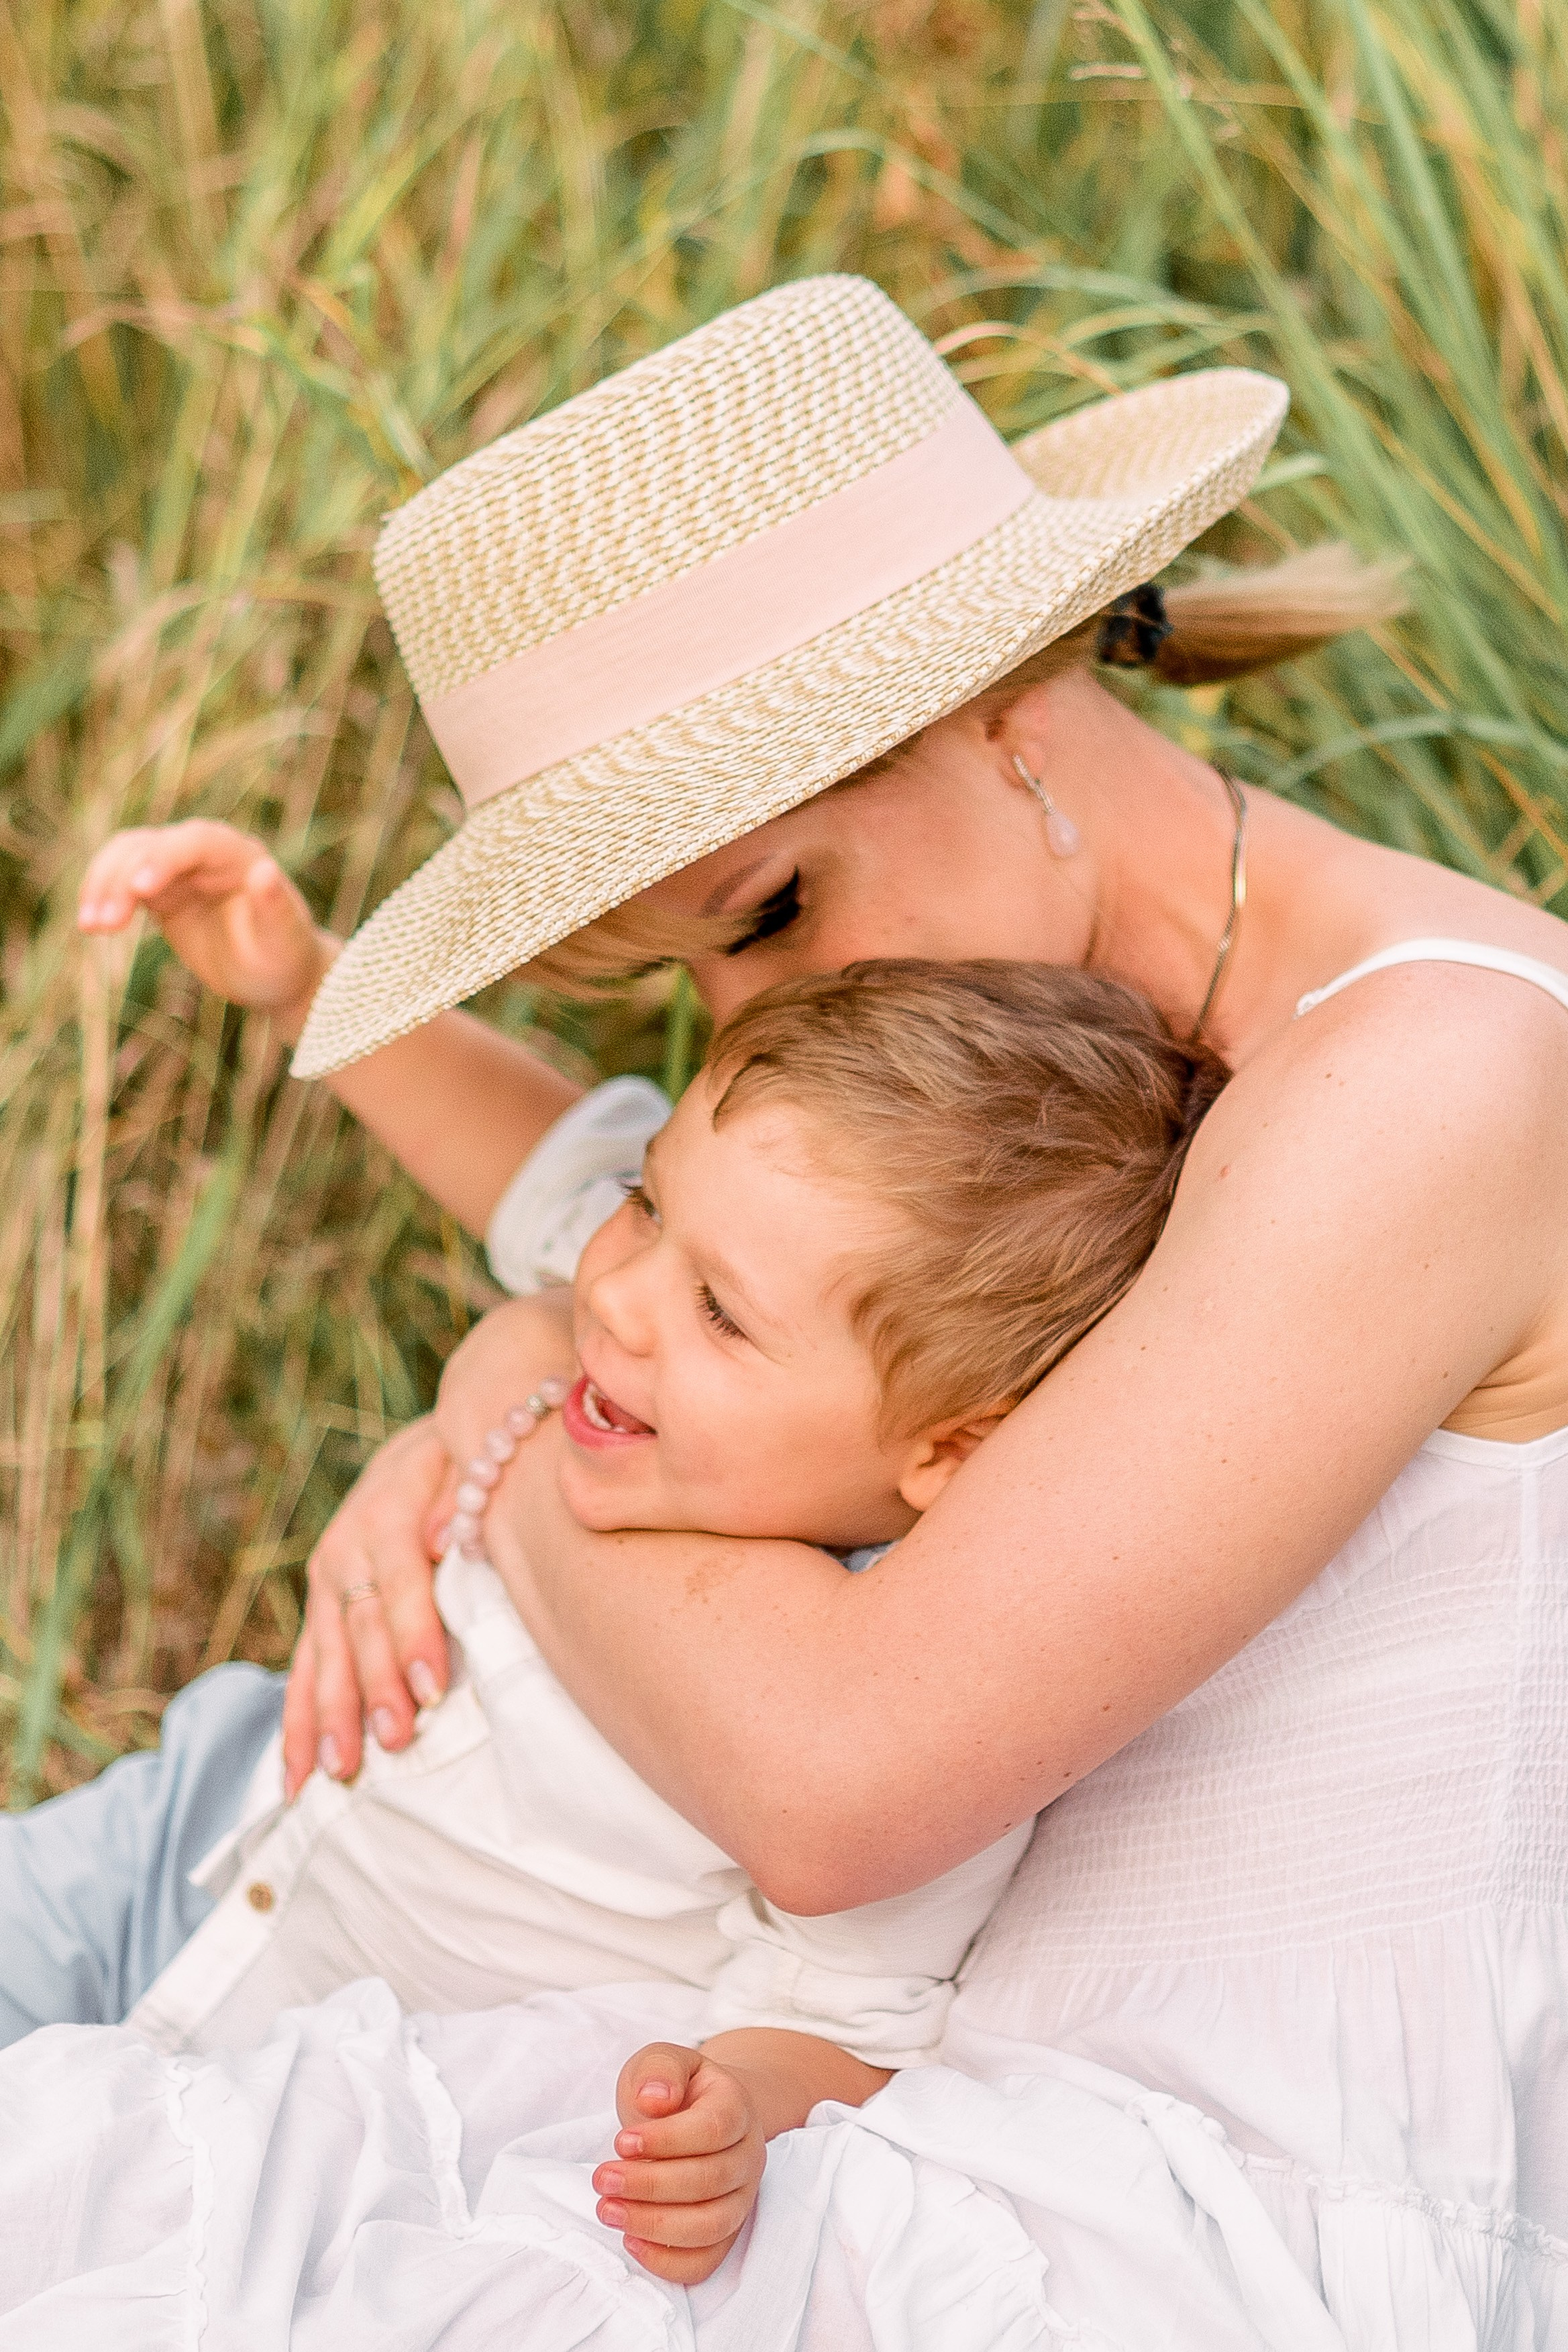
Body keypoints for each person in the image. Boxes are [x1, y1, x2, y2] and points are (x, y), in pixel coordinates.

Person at [60, 274, 1568, 2337]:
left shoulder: (1439, 1080)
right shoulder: (1053, 1090)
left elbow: (845, 1780)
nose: (751, 1028)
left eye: (769, 912)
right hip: (677, 2032)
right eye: (690, 967)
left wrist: (506, 1410)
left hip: (1133, 2202)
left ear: (1006, 711)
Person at [22, 959, 1224, 2298]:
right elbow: (540, 1162)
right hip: (199, 1821)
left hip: (324, 2067)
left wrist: (732, 2110)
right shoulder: (663, 1361)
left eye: (718, 1312)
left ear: (944, 1446)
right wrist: (307, 979)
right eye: (646, 1205)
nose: (613, 1299)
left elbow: (837, 2014)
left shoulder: (901, 1683)